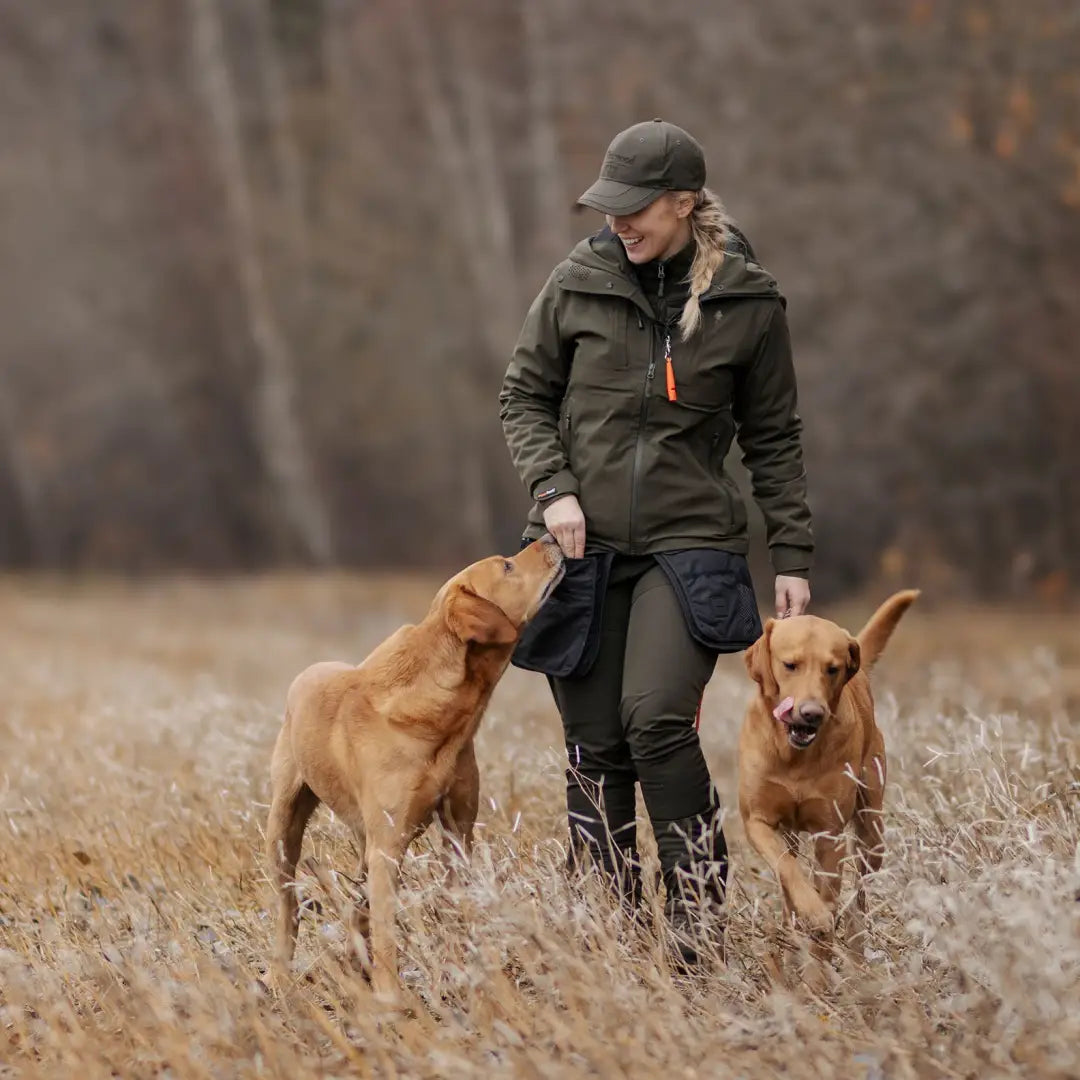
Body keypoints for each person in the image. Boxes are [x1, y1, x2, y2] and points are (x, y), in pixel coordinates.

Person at [499, 119, 813, 963]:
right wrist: (553, 488)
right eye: (607, 207)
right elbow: (522, 396)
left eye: (635, 208)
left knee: (654, 720)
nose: (618, 223)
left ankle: (699, 934)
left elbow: (774, 437)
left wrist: (791, 556)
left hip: (691, 543)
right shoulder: (577, 282)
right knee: (593, 741)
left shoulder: (747, 302)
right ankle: (611, 929)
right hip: (577, 548)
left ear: (684, 202)